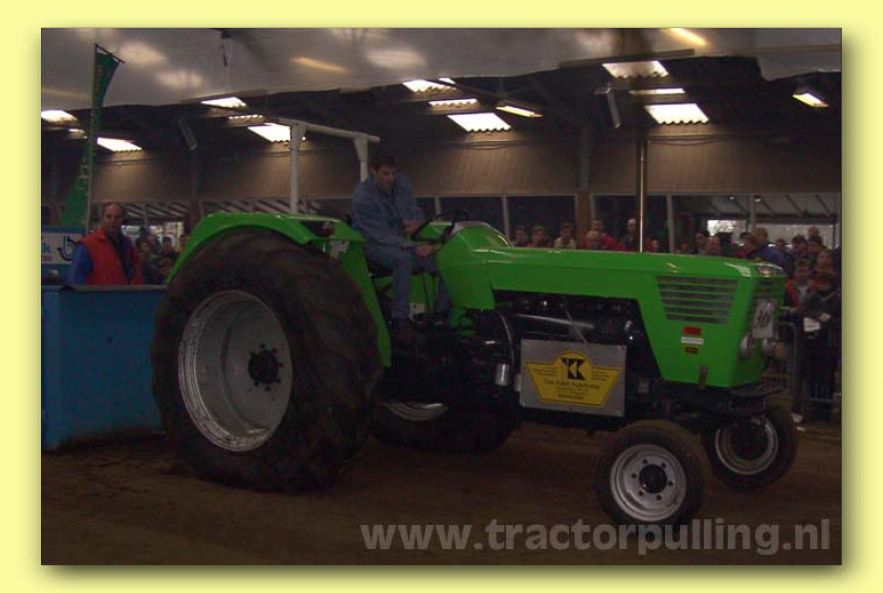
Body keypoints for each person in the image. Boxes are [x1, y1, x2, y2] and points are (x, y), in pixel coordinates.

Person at [351, 150, 446, 345]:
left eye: (393, 173)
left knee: (442, 260)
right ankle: (400, 320)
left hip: (400, 239)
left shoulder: (401, 184)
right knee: (403, 260)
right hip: (372, 242)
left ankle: (441, 313)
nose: (391, 178)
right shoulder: (363, 197)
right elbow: (380, 234)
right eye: (385, 174)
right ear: (373, 171)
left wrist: (417, 223)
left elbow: (411, 208)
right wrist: (413, 246)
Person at [66, 203, 142, 285]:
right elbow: (75, 279)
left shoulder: (128, 244)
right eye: (109, 217)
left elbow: (136, 273)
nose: (113, 221)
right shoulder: (88, 245)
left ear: (123, 219)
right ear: (102, 219)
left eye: (117, 217)